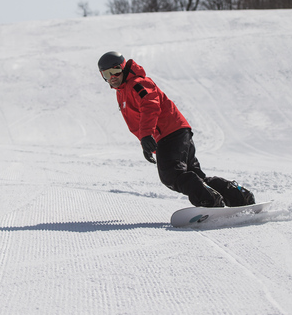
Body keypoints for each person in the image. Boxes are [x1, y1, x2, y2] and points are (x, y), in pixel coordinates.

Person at [98, 51, 255, 208]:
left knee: (172, 176)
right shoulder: (122, 92)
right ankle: (240, 197)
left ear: (124, 68)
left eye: (115, 70)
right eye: (106, 74)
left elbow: (150, 104)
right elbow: (138, 120)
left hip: (170, 133)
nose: (112, 77)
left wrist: (146, 135)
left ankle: (209, 201)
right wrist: (145, 143)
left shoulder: (137, 83)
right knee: (196, 177)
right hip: (173, 133)